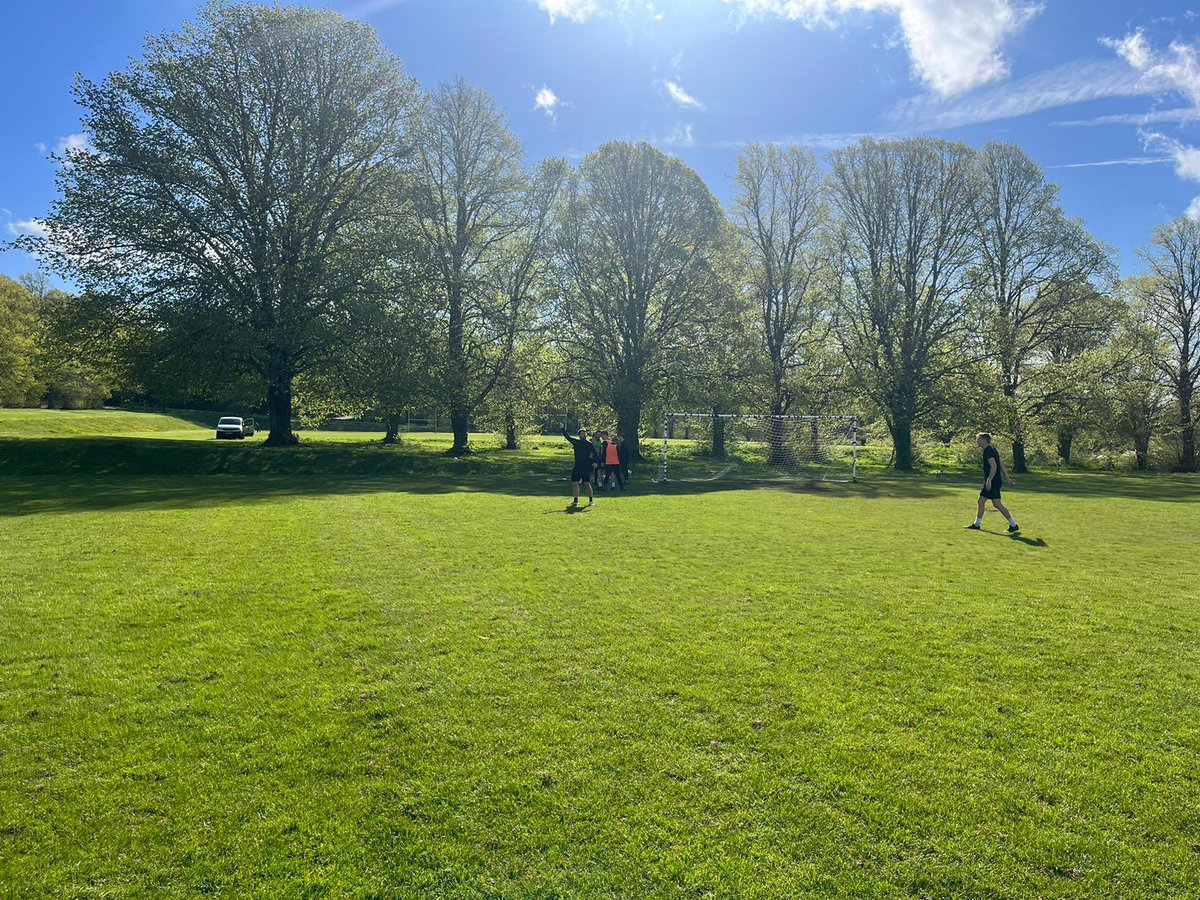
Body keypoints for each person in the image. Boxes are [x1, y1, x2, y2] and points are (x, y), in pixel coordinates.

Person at [965, 432, 1018, 533]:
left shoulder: (988, 451)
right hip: (993, 481)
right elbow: (1001, 464)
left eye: (978, 439)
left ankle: (1013, 525)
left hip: (993, 481)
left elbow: (994, 466)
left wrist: (989, 481)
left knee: (997, 504)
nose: (977, 441)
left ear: (984, 440)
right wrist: (1008, 478)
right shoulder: (992, 449)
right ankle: (977, 524)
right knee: (981, 501)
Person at [561, 424, 597, 507]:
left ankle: (591, 500)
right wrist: (562, 429)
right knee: (575, 483)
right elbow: (568, 437)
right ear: (579, 435)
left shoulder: (589, 444)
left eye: (585, 433)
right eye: (582, 433)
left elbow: (595, 454)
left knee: (587, 483)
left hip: (586, 467)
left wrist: (594, 461)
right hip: (577, 466)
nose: (583, 435)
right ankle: (575, 500)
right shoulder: (576, 442)